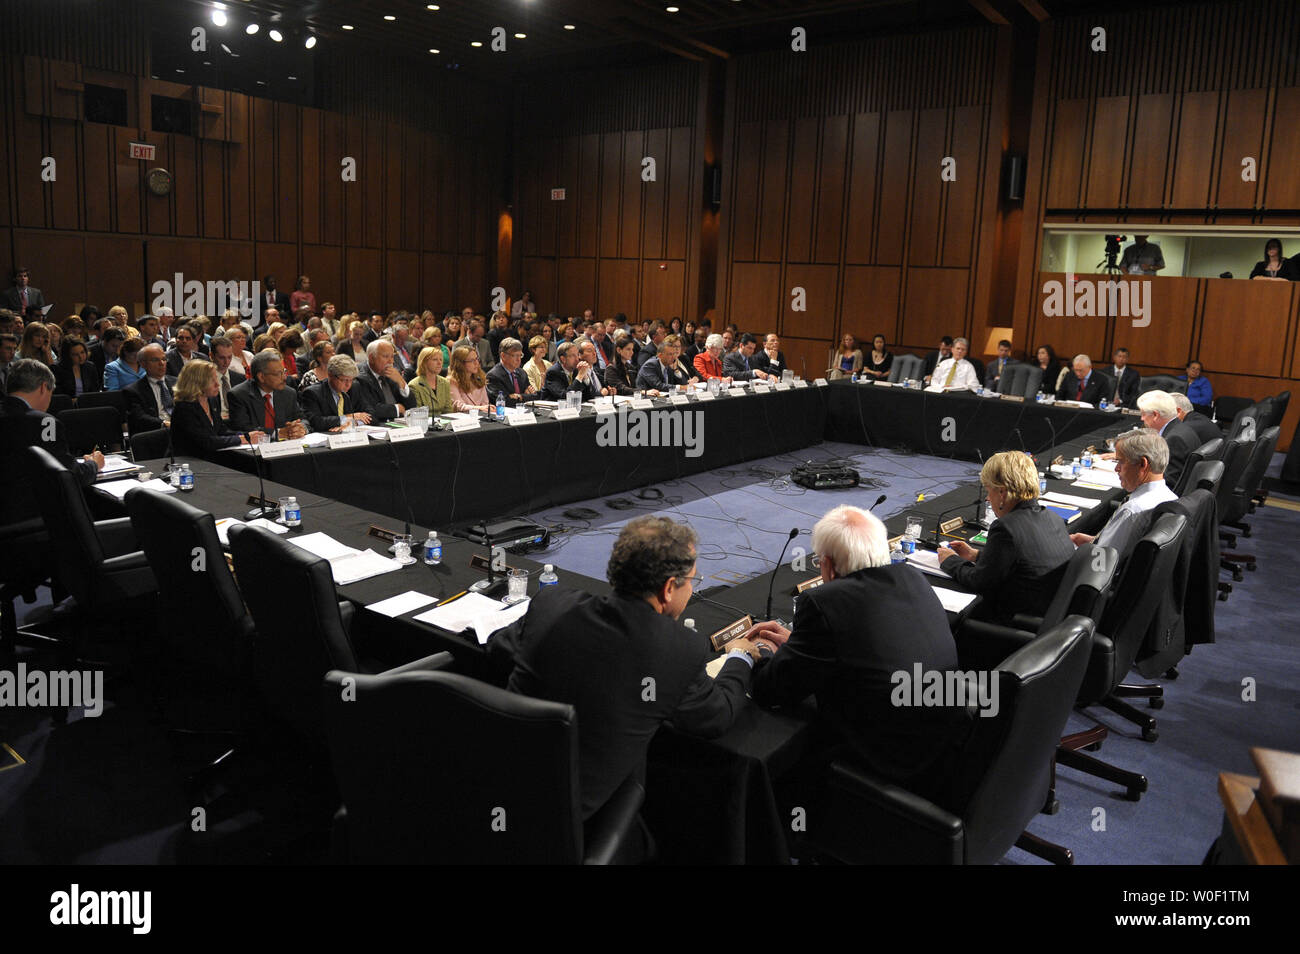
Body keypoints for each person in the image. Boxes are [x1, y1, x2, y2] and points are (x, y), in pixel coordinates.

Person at [487, 515, 756, 822]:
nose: (692, 590)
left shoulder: (552, 604)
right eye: (693, 580)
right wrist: (741, 658)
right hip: (570, 822)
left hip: (492, 780)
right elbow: (715, 717)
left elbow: (498, 649)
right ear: (669, 588)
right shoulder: (679, 649)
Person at [741, 505, 966, 802]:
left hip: (887, 767)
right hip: (946, 749)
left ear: (829, 566)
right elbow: (859, 644)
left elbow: (772, 690)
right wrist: (799, 644)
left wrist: (759, 652)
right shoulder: (912, 578)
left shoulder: (824, 603)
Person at [937, 451, 1075, 625]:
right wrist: (976, 556)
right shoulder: (1052, 517)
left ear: (1002, 493)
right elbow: (1023, 563)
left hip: (1013, 628)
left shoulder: (1006, 527)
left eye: (989, 491)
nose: (987, 498)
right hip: (1050, 619)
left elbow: (979, 582)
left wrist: (950, 561)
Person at [0, 359, 103, 525]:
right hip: (33, 518)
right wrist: (93, 465)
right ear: (43, 387)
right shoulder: (45, 423)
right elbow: (69, 476)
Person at [1069, 429, 1176, 560]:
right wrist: (1093, 542)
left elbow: (1100, 564)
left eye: (1120, 462)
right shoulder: (1172, 498)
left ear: (1143, 464)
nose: (1116, 468)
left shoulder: (1132, 511)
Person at [170, 359, 262, 457]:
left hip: (211, 456)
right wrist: (241, 439)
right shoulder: (184, 408)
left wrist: (247, 435)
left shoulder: (212, 400)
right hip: (188, 460)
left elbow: (221, 431)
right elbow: (205, 441)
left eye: (216, 379)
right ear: (198, 383)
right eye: (212, 381)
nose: (217, 384)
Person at [227, 350, 307, 441]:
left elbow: (303, 419)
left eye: (284, 371)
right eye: (278, 374)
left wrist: (301, 428)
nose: (284, 377)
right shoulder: (239, 395)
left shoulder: (288, 393)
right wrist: (277, 432)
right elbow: (243, 428)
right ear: (261, 377)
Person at [1131, 389, 1198, 490]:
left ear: (1155, 415)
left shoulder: (1174, 439)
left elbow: (1168, 482)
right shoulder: (1180, 428)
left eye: (1143, 414)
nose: (1142, 419)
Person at [300, 354, 374, 433]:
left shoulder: (355, 387)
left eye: (351, 380)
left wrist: (352, 423)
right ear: (330, 375)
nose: (348, 384)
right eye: (344, 380)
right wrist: (348, 417)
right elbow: (316, 422)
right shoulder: (312, 393)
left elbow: (371, 414)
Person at [352, 340, 411, 422]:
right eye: (386, 356)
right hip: (377, 426)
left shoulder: (392, 373)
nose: (391, 362)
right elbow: (370, 409)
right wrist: (396, 409)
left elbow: (411, 406)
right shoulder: (359, 377)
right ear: (371, 358)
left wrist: (401, 382)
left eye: (392, 357)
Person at [124, 344, 176, 434]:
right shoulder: (133, 391)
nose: (161, 363)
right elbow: (140, 417)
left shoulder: (178, 382)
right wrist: (164, 423)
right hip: (156, 432)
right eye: (155, 360)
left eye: (164, 359)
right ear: (143, 364)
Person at [486, 337, 536, 407]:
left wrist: (519, 396)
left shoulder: (522, 373)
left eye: (520, 355)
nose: (518, 359)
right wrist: (525, 396)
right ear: (503, 356)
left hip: (524, 412)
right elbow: (503, 401)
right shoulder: (493, 376)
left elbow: (533, 396)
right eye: (515, 355)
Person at [408, 347, 455, 415]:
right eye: (435, 359)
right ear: (424, 362)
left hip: (443, 422)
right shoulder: (414, 385)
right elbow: (416, 414)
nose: (439, 363)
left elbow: (448, 410)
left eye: (441, 360)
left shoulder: (445, 382)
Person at [208, 337, 245, 422]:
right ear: (211, 356)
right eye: (221, 358)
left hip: (237, 423)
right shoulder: (204, 380)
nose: (226, 362)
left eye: (229, 357)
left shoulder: (240, 378)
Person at [447, 345, 491, 413]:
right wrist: (479, 408)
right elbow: (459, 406)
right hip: (462, 419)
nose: (476, 363)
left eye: (476, 359)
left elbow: (485, 403)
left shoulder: (479, 378)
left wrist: (486, 408)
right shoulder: (451, 381)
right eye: (472, 360)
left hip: (481, 418)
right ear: (460, 363)